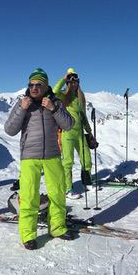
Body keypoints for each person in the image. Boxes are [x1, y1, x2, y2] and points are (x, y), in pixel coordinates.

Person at [4, 68, 74, 250]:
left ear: (46, 86)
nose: (34, 88)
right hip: (29, 156)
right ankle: (28, 235)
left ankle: (57, 228)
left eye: (38, 84)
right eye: (31, 84)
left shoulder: (54, 102)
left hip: (52, 154)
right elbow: (9, 129)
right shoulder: (23, 103)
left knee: (57, 193)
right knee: (28, 196)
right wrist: (22, 108)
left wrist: (54, 108)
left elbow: (69, 124)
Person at [52, 68, 94, 199]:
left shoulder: (79, 98)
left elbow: (83, 117)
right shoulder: (63, 96)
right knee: (68, 162)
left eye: (76, 82)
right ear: (68, 83)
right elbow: (54, 91)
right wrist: (63, 79)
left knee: (86, 159)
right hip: (67, 133)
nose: (73, 84)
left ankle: (87, 182)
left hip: (79, 133)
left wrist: (90, 132)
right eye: (70, 82)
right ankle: (68, 189)